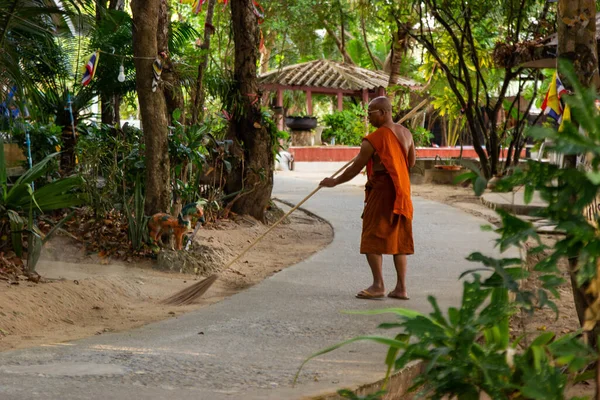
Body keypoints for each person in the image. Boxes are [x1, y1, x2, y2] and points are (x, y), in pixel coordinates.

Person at [320, 96, 415, 300]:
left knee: (372, 236)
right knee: (399, 239)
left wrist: (333, 181)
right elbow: (411, 162)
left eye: (370, 112)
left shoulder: (374, 139)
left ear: (383, 112)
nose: (368, 116)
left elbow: (355, 169)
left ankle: (378, 285)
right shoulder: (406, 133)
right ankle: (401, 288)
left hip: (382, 191)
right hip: (402, 192)